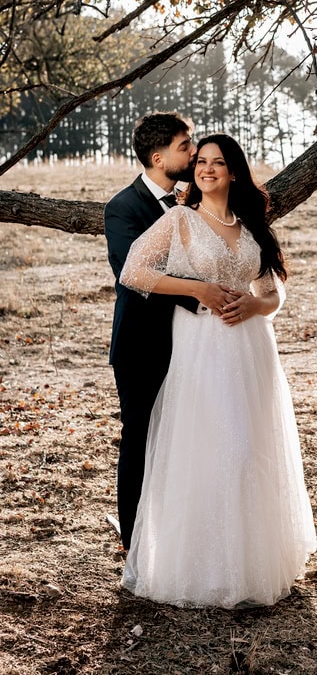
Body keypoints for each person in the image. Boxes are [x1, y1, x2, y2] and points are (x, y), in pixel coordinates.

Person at [118, 134, 317, 608]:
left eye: (218, 162)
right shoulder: (179, 220)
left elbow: (275, 292)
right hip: (201, 345)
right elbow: (133, 271)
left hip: (250, 348)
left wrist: (255, 304)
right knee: (209, 448)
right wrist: (198, 289)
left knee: (251, 450)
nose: (207, 168)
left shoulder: (252, 225)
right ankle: (199, 570)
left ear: (233, 172)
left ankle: (250, 568)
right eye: (200, 161)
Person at [104, 111, 197, 552]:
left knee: (188, 436)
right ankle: (133, 539)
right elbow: (134, 274)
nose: (194, 153)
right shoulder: (123, 208)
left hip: (193, 344)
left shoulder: (195, 204)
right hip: (141, 344)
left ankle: (179, 534)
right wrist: (203, 294)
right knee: (140, 437)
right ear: (158, 157)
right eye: (185, 146)